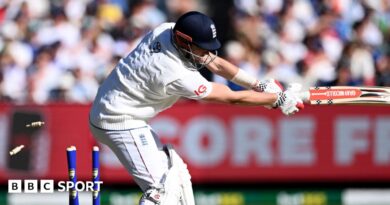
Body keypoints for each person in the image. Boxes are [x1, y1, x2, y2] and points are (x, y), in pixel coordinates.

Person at [89, 11, 304, 205]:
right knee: (161, 193)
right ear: (184, 41)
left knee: (178, 177)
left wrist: (260, 85)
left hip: (121, 110)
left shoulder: (166, 30)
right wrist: (275, 99)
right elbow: (231, 98)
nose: (205, 53)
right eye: (201, 47)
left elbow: (215, 63)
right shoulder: (172, 72)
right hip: (117, 121)